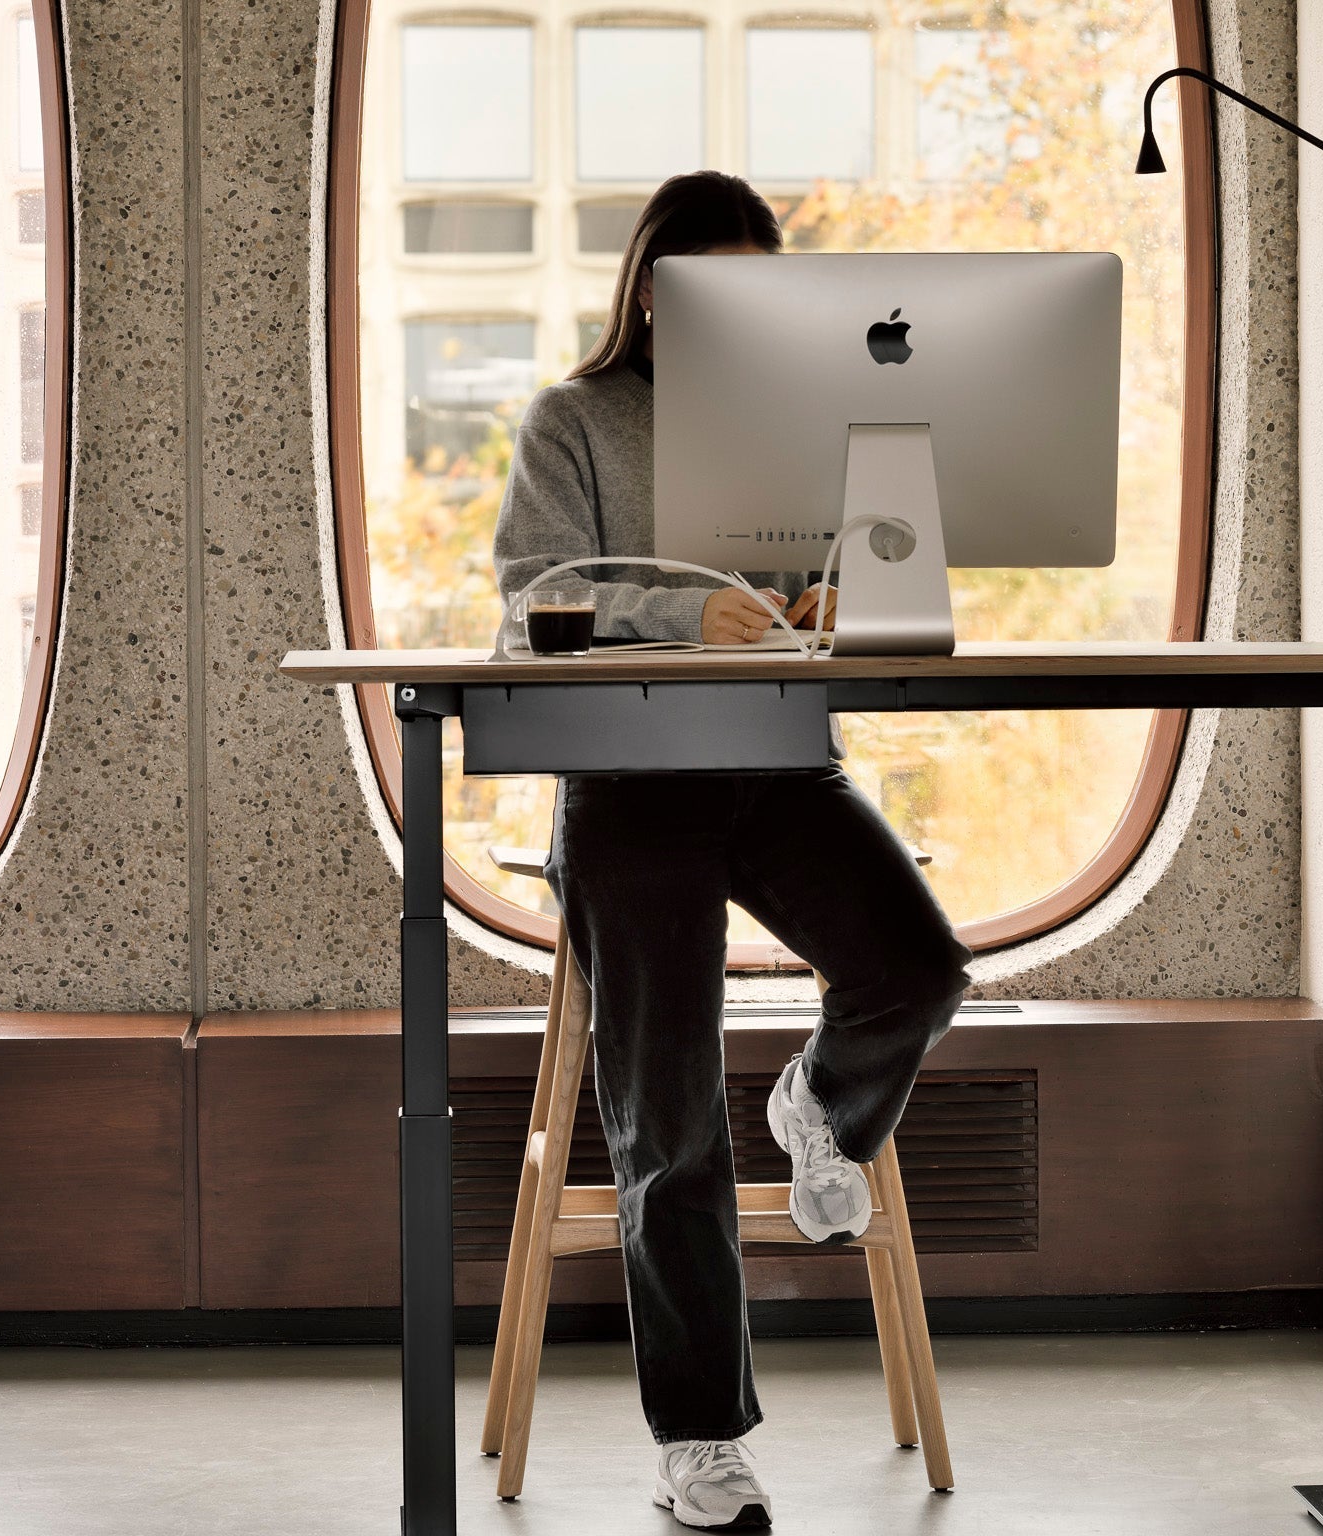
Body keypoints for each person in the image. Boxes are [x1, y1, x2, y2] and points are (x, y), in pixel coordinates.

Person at [493, 169, 972, 1531]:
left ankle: (820, 1107)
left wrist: (837, 597)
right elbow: (535, 599)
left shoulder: (798, 425)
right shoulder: (574, 422)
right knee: (670, 1127)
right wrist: (675, 619)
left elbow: (838, 582)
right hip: (631, 783)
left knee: (919, 967)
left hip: (774, 762)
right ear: (652, 289)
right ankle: (700, 1439)